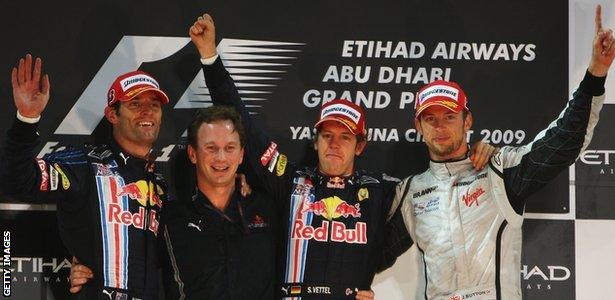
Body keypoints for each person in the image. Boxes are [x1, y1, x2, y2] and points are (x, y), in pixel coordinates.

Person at [189, 14, 496, 299]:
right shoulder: (289, 180)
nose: (334, 144)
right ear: (315, 141)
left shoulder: (382, 191)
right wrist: (209, 57)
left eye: (345, 137)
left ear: (360, 145)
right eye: (327, 135)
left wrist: (478, 155)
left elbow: (441, 181)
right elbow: (241, 122)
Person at [380, 5, 615, 300]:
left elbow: (563, 143)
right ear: (419, 126)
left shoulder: (499, 171)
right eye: (431, 118)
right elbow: (368, 252)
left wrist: (595, 73)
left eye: (450, 117)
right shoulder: (411, 193)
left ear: (467, 121)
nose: (440, 125)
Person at [0, 54, 169, 299]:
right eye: (134, 104)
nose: (147, 112)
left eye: (154, 105)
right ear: (112, 115)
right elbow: (17, 181)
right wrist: (26, 119)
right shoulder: (84, 164)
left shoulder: (161, 184)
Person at [159, 106, 277, 299]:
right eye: (211, 148)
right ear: (192, 153)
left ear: (241, 155)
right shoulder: (171, 218)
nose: (221, 157)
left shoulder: (269, 210)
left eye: (230, 148)